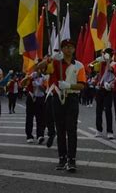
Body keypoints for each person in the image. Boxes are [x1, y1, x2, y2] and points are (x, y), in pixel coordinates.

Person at [36, 39, 86, 172]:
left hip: (72, 98)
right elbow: (39, 68)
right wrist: (50, 59)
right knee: (60, 129)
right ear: (62, 49)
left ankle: (72, 160)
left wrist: (69, 85)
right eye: (65, 47)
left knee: (72, 130)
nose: (68, 49)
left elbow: (81, 85)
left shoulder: (79, 65)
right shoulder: (55, 63)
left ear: (74, 49)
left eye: (71, 47)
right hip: (57, 98)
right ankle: (62, 159)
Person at [91, 48, 115, 139]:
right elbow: (92, 66)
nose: (104, 55)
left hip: (108, 89)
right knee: (98, 110)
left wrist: (108, 60)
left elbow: (110, 69)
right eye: (103, 54)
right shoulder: (100, 63)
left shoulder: (113, 63)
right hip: (100, 89)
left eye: (105, 54)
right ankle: (99, 130)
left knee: (108, 110)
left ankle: (110, 131)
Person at [20, 69, 46, 144]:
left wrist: (39, 85)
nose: (39, 70)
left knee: (40, 118)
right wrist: (27, 77)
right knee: (29, 117)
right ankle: (29, 136)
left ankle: (40, 135)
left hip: (40, 98)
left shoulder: (44, 77)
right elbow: (21, 84)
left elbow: (45, 90)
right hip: (31, 97)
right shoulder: (30, 75)